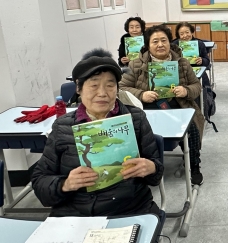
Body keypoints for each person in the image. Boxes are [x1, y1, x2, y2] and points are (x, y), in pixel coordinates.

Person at [31, 49, 163, 217]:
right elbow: (40, 181)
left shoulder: (135, 119)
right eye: (94, 85)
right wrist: (65, 184)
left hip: (129, 209)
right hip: (75, 213)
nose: (102, 93)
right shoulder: (62, 126)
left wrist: (151, 168)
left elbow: (155, 175)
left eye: (110, 85)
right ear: (78, 88)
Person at [119, 24, 205, 185]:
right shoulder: (135, 64)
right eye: (155, 41)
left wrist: (186, 91)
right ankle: (145, 167)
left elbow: (197, 86)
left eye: (164, 40)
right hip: (146, 108)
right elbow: (122, 87)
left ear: (170, 42)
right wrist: (141, 94)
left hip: (179, 106)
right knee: (138, 131)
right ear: (148, 45)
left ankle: (194, 165)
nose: (160, 45)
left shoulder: (183, 63)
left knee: (191, 129)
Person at [172, 21, 210, 87]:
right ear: (178, 35)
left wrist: (202, 60)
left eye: (187, 32)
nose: (185, 36)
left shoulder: (199, 44)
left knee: (204, 85)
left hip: (196, 70)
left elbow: (207, 61)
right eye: (182, 34)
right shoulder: (174, 45)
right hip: (180, 73)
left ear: (191, 32)